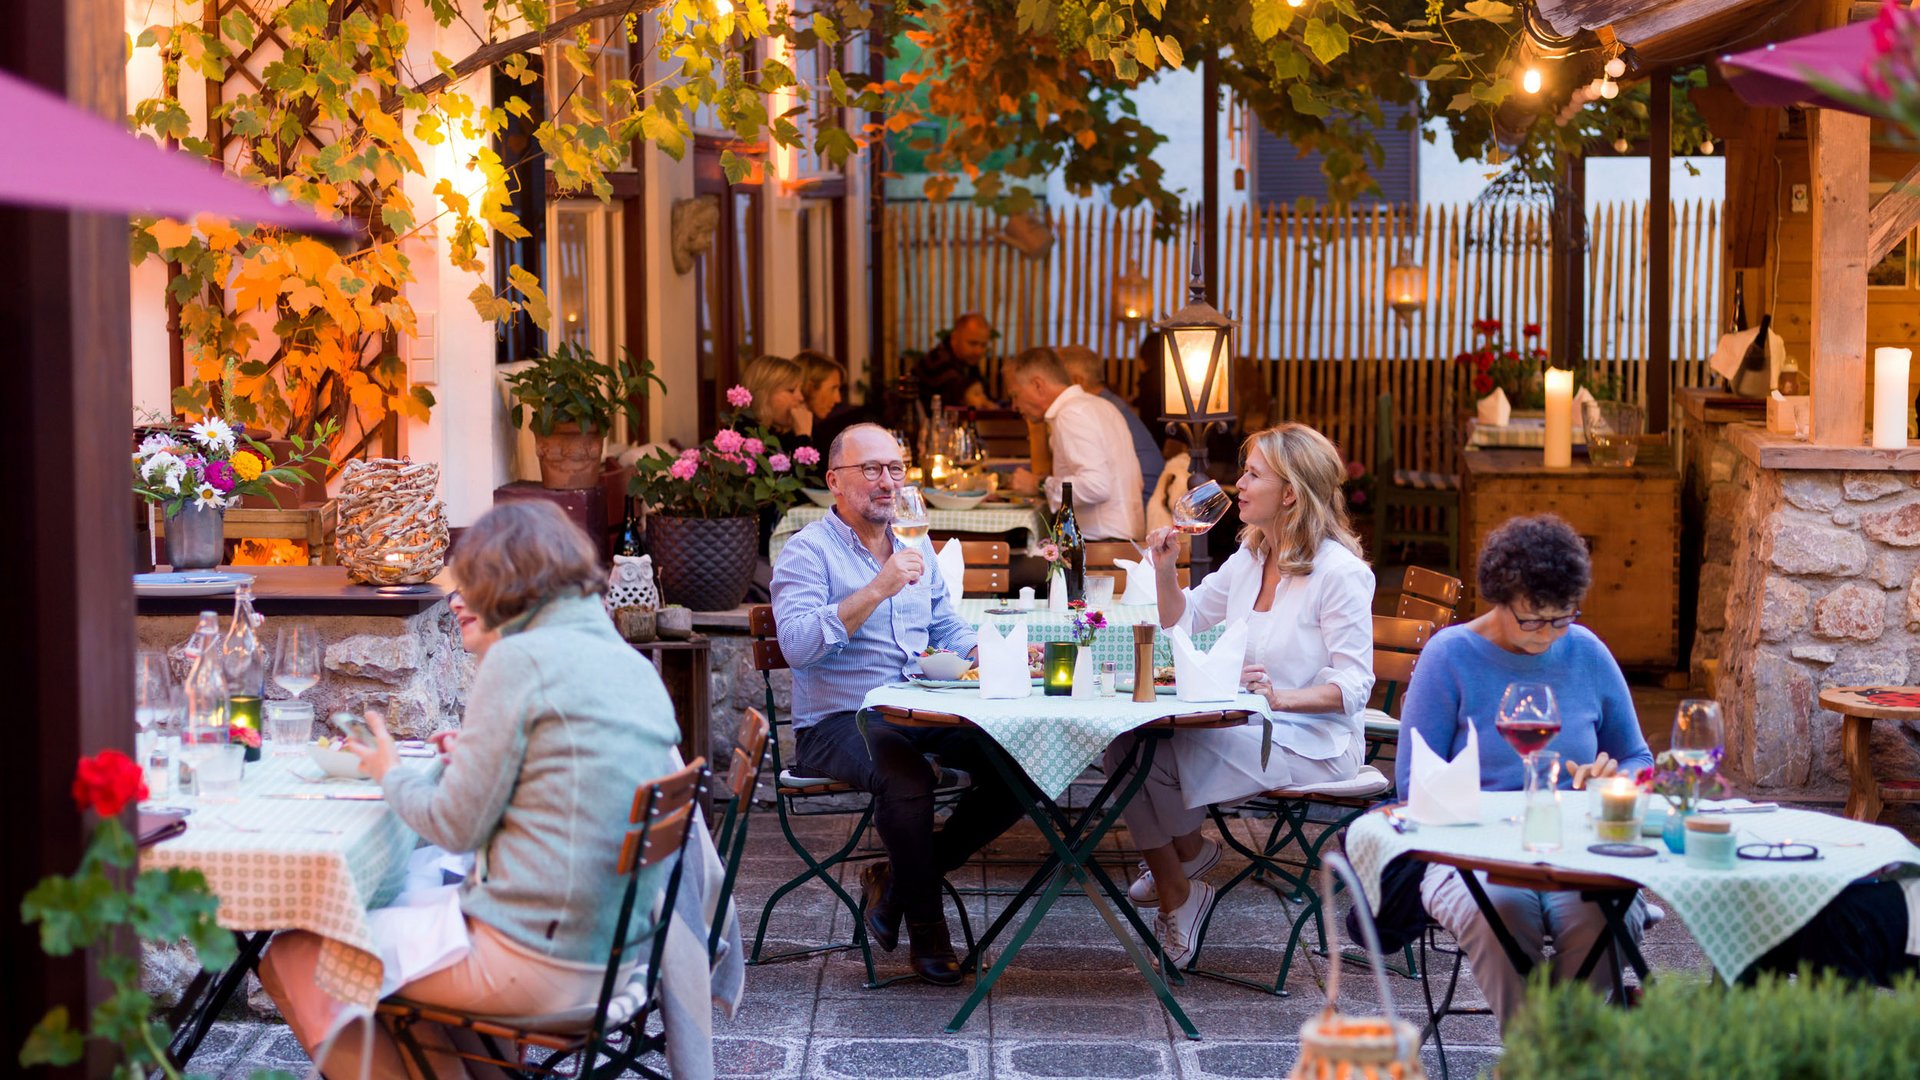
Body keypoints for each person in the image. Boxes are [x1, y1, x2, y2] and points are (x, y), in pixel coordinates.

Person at [257, 501, 681, 1079]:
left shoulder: (522, 659)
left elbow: (454, 827)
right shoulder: (623, 660)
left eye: (470, 581)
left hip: (538, 959)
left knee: (295, 954)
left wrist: (389, 769)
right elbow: (570, 778)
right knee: (395, 945)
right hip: (610, 951)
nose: (459, 599)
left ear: (506, 581)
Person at [770, 422, 1027, 984]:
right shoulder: (807, 552)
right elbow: (797, 646)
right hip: (838, 721)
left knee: (1021, 760)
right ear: (834, 480)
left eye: (895, 469)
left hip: (916, 709)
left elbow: (945, 626)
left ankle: (898, 885)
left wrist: (988, 651)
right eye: (871, 469)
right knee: (906, 776)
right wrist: (876, 589)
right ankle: (929, 935)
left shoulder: (914, 545)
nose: (887, 482)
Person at [1112, 422, 1375, 965]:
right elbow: (1182, 619)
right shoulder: (1251, 557)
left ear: (1290, 494)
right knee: (1124, 741)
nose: (1240, 485)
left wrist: (1280, 698)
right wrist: (1165, 569)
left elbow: (1354, 685)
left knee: (1151, 751)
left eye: (1253, 475)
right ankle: (1183, 872)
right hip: (1250, 724)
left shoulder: (1340, 573)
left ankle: (1180, 874)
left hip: (1316, 741)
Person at [1394, 512, 1654, 1027]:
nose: (1547, 635)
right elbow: (1412, 785)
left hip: (1574, 846)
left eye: (1562, 618)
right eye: (1532, 620)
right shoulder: (1450, 656)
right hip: (1470, 849)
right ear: (1499, 596)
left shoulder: (1587, 652)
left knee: (1608, 912)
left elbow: (1638, 759)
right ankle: (1545, 1049)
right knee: (1503, 909)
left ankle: (1547, 1048)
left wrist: (1614, 780)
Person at [1005, 347, 1146, 542]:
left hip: (1102, 544)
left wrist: (1039, 485)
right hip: (1122, 539)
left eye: (1015, 395)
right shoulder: (1101, 406)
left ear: (1038, 385)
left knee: (1015, 554)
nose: (1014, 406)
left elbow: (1096, 486)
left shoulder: (1071, 414)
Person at [1058, 344, 1164, 509]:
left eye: (1058, 381)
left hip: (1144, 500)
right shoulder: (1107, 403)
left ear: (1077, 381)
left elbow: (1094, 484)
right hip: (1146, 495)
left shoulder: (1088, 410)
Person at [919, 313, 994, 410]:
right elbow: (959, 407)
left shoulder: (966, 359)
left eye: (983, 345)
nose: (978, 351)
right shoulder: (940, 363)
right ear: (954, 338)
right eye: (973, 343)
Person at [742, 353, 811, 448]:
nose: (801, 398)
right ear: (764, 395)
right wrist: (803, 437)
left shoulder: (786, 435)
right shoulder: (742, 436)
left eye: (800, 390)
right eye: (791, 390)